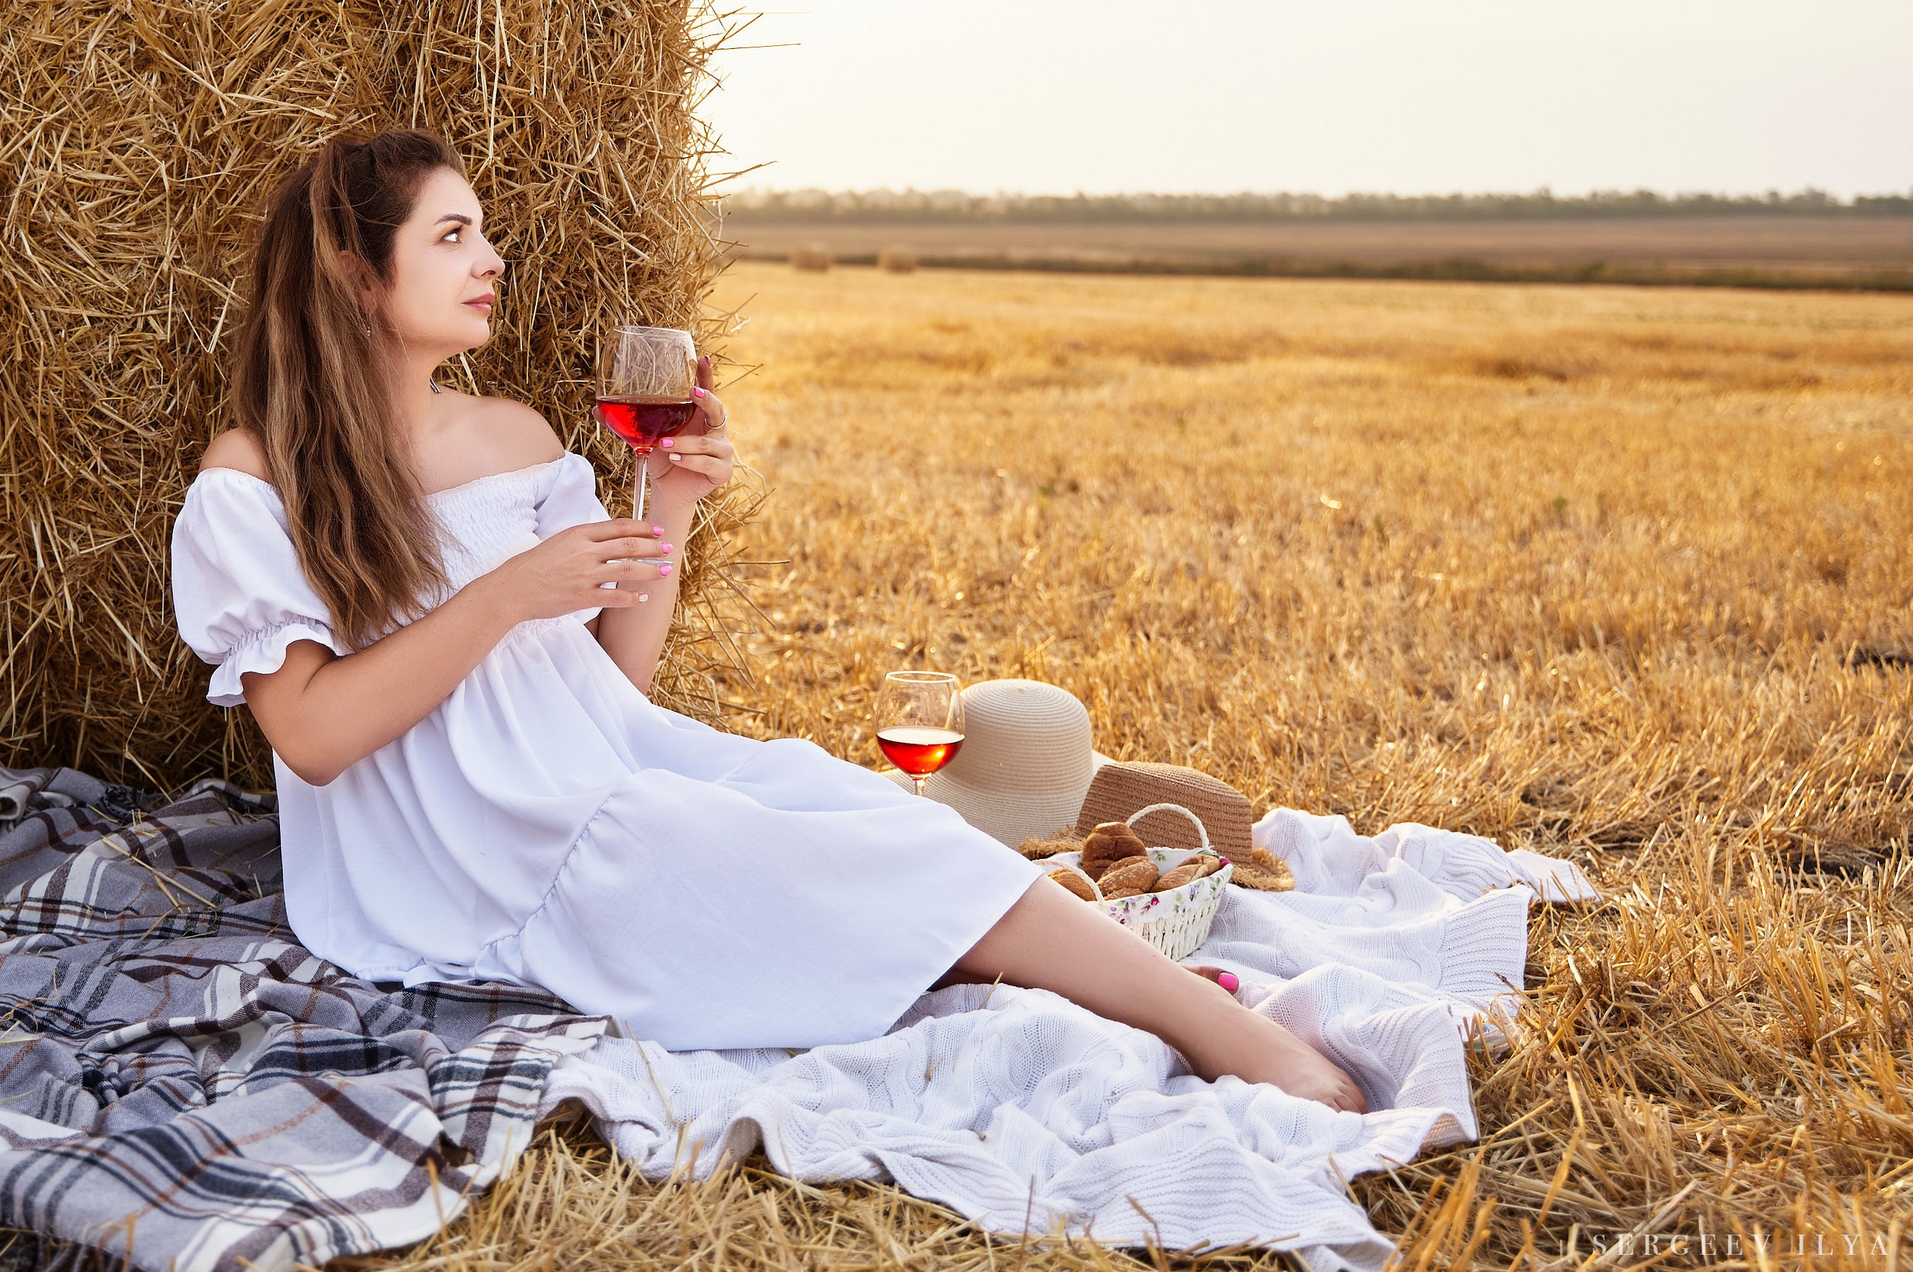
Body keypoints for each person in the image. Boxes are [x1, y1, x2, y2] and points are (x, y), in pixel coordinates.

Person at [171, 128, 1365, 1112]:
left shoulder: (517, 440)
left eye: (483, 231)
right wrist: (506, 596)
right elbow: (315, 737)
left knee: (848, 807)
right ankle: (1222, 1033)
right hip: (475, 864)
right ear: (348, 267)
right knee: (859, 855)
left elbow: (609, 691)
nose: (490, 258)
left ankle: (1172, 999)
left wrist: (673, 503)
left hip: (605, 773)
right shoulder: (254, 480)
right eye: (451, 236)